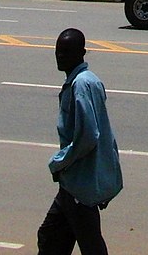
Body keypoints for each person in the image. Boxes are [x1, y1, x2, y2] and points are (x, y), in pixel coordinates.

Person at [38, 29, 123, 255]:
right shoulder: (83, 81)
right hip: (74, 183)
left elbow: (89, 138)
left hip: (80, 186)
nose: (60, 56)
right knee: (50, 238)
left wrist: (59, 163)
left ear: (82, 53)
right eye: (58, 51)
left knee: (89, 245)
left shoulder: (82, 85)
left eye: (66, 52)